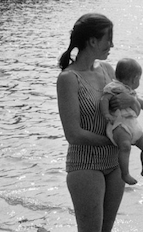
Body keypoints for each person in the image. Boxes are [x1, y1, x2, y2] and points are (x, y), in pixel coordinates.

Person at [56, 13, 138, 232]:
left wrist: (131, 99)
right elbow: (73, 134)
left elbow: (127, 108)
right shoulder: (68, 79)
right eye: (107, 39)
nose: (111, 44)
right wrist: (113, 142)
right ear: (92, 41)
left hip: (114, 164)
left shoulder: (107, 70)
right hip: (85, 164)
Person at [100, 58, 143, 185]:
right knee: (125, 146)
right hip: (119, 124)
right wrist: (106, 114)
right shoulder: (113, 87)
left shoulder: (130, 91)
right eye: (139, 79)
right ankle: (125, 174)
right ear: (135, 78)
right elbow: (104, 99)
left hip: (132, 124)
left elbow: (140, 103)